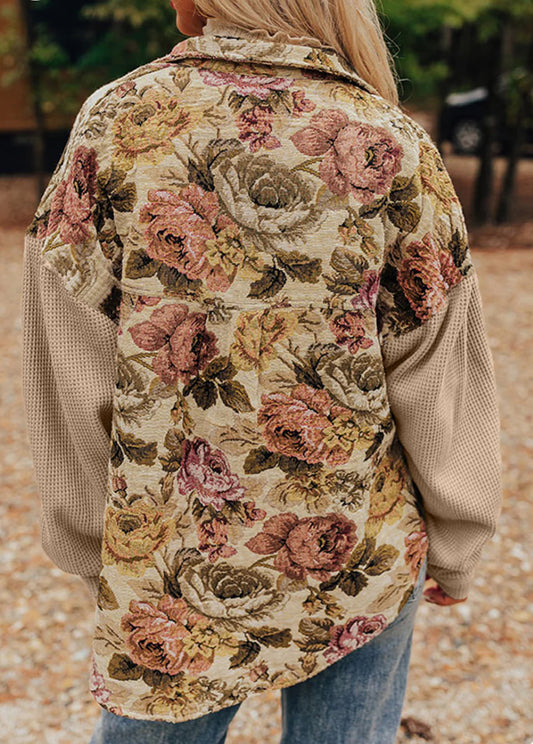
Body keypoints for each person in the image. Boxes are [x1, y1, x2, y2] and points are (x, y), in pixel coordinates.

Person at [20, 1, 503, 742]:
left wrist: (93, 543)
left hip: (170, 566)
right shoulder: (388, 140)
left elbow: (70, 360)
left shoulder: (118, 120)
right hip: (357, 548)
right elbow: (437, 371)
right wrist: (457, 540)